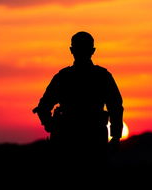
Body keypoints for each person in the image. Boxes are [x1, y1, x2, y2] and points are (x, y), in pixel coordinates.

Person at [33, 31, 123, 168]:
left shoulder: (63, 77)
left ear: (71, 50)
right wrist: (115, 137)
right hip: (86, 141)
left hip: (76, 141)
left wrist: (50, 125)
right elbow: (115, 107)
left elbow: (116, 106)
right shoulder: (102, 76)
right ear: (93, 51)